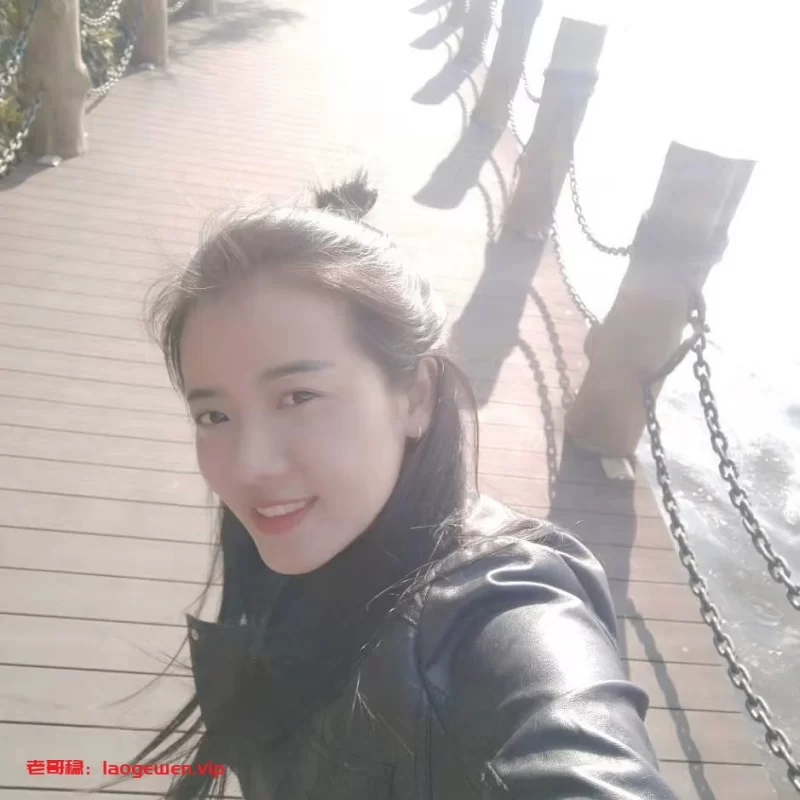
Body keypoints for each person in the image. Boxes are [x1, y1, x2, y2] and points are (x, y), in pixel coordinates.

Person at [127, 172, 678, 799]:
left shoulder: (504, 610)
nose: (248, 465)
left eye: (298, 396)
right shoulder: (315, 539)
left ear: (415, 395)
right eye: (214, 415)